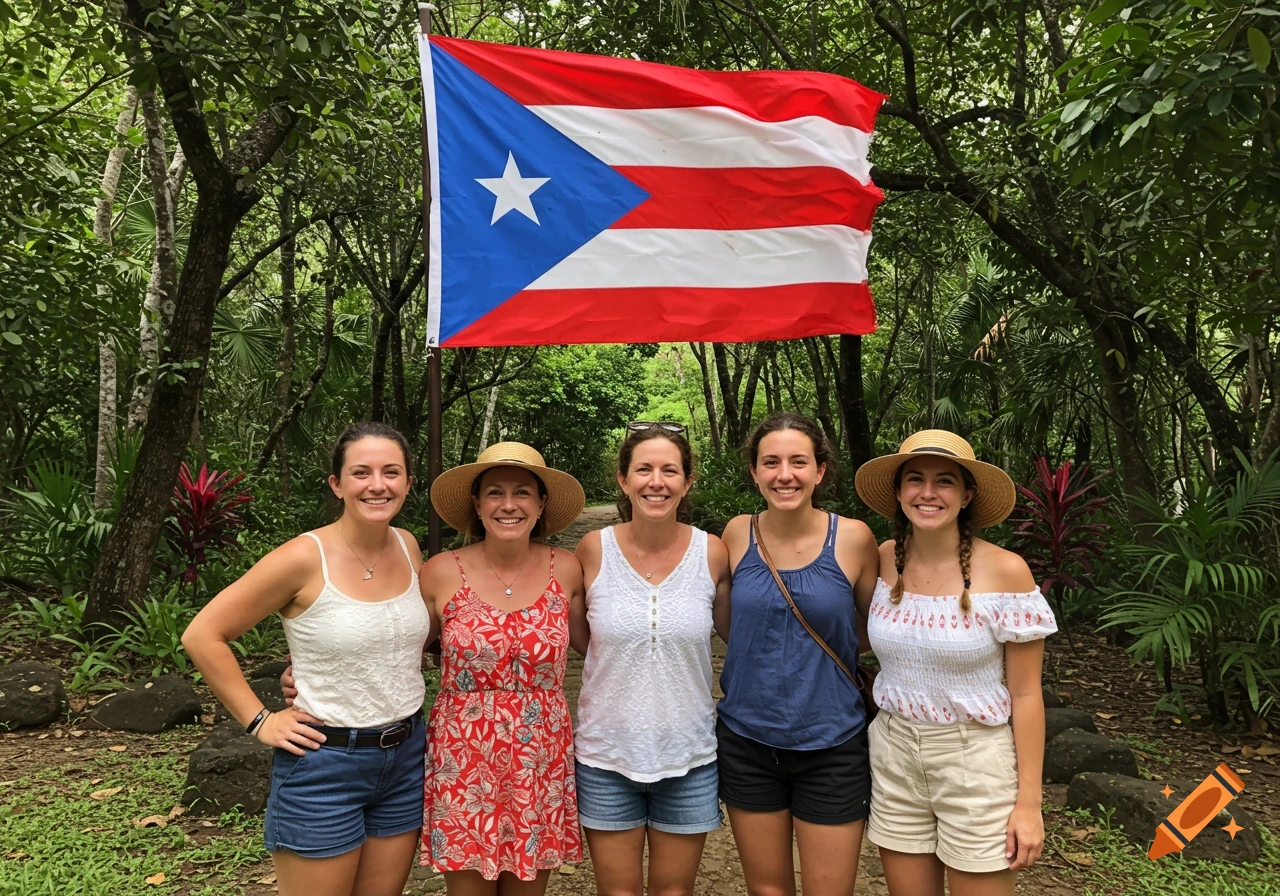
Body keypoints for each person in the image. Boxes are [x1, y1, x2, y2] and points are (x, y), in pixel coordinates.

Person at [183, 421, 432, 896]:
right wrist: (259, 720)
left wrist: (313, 667)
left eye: (391, 472)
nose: (377, 485)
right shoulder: (303, 556)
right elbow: (203, 634)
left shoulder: (408, 545)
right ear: (337, 484)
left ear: (407, 483)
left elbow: (393, 639)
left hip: (404, 756)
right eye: (361, 472)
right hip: (325, 764)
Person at [854, 429, 1056, 896]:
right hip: (894, 751)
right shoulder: (884, 560)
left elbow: (1026, 695)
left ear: (967, 495)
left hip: (975, 759)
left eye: (944, 481)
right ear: (899, 491)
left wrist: (1029, 803)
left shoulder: (1007, 570)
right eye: (915, 479)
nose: (928, 493)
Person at [715, 412, 880, 896]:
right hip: (748, 738)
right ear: (754, 471)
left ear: (820, 470)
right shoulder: (735, 534)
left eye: (798, 462)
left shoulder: (853, 538)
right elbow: (730, 624)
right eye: (771, 462)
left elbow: (872, 632)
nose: (784, 474)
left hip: (833, 741)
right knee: (767, 890)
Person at [571, 422, 732, 896]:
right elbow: (585, 639)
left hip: (689, 755)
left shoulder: (713, 552)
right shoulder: (593, 550)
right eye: (643, 469)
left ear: (687, 482)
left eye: (669, 470)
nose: (655, 482)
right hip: (606, 755)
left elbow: (734, 633)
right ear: (623, 480)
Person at [420, 442, 587, 895]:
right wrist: (310, 674)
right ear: (477, 504)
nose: (508, 505)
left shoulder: (567, 569)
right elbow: (398, 649)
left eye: (522, 493)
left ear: (541, 505)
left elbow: (602, 648)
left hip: (541, 757)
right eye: (495, 492)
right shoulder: (439, 572)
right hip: (463, 755)